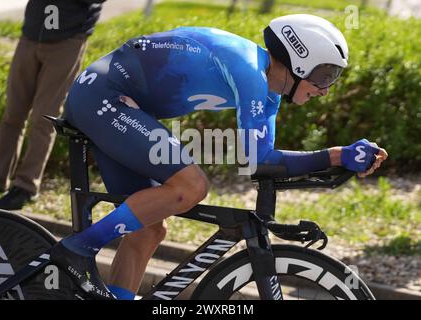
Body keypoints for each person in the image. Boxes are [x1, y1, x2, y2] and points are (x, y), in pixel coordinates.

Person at [49, 14, 388, 299]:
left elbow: (262, 161)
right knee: (191, 186)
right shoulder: (247, 70)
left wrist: (338, 157)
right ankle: (77, 249)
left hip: (116, 104)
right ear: (299, 60)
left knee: (148, 231)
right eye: (324, 75)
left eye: (334, 78)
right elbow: (258, 161)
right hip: (103, 97)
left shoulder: (266, 91)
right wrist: (334, 156)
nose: (326, 89)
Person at [0, 0, 105, 210]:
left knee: (44, 117)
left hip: (67, 40)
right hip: (30, 36)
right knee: (12, 114)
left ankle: (26, 187)